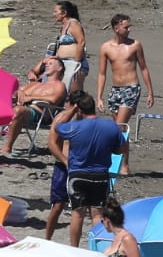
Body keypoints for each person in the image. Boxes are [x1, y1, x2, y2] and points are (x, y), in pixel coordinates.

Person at [51, 92, 124, 242]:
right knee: (97, 214)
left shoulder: (74, 127)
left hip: (78, 174)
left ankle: (75, 248)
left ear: (79, 109)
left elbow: (58, 127)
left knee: (78, 214)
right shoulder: (111, 126)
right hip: (100, 175)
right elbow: (120, 149)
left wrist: (71, 111)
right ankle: (95, 248)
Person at [94, 13, 153, 142]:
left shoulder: (135, 45)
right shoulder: (106, 48)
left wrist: (150, 92)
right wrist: (99, 97)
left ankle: (115, 156)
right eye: (126, 27)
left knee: (119, 126)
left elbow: (143, 68)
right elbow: (102, 73)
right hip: (115, 90)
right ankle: (123, 160)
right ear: (116, 28)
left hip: (131, 88)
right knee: (118, 129)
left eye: (129, 27)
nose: (129, 30)